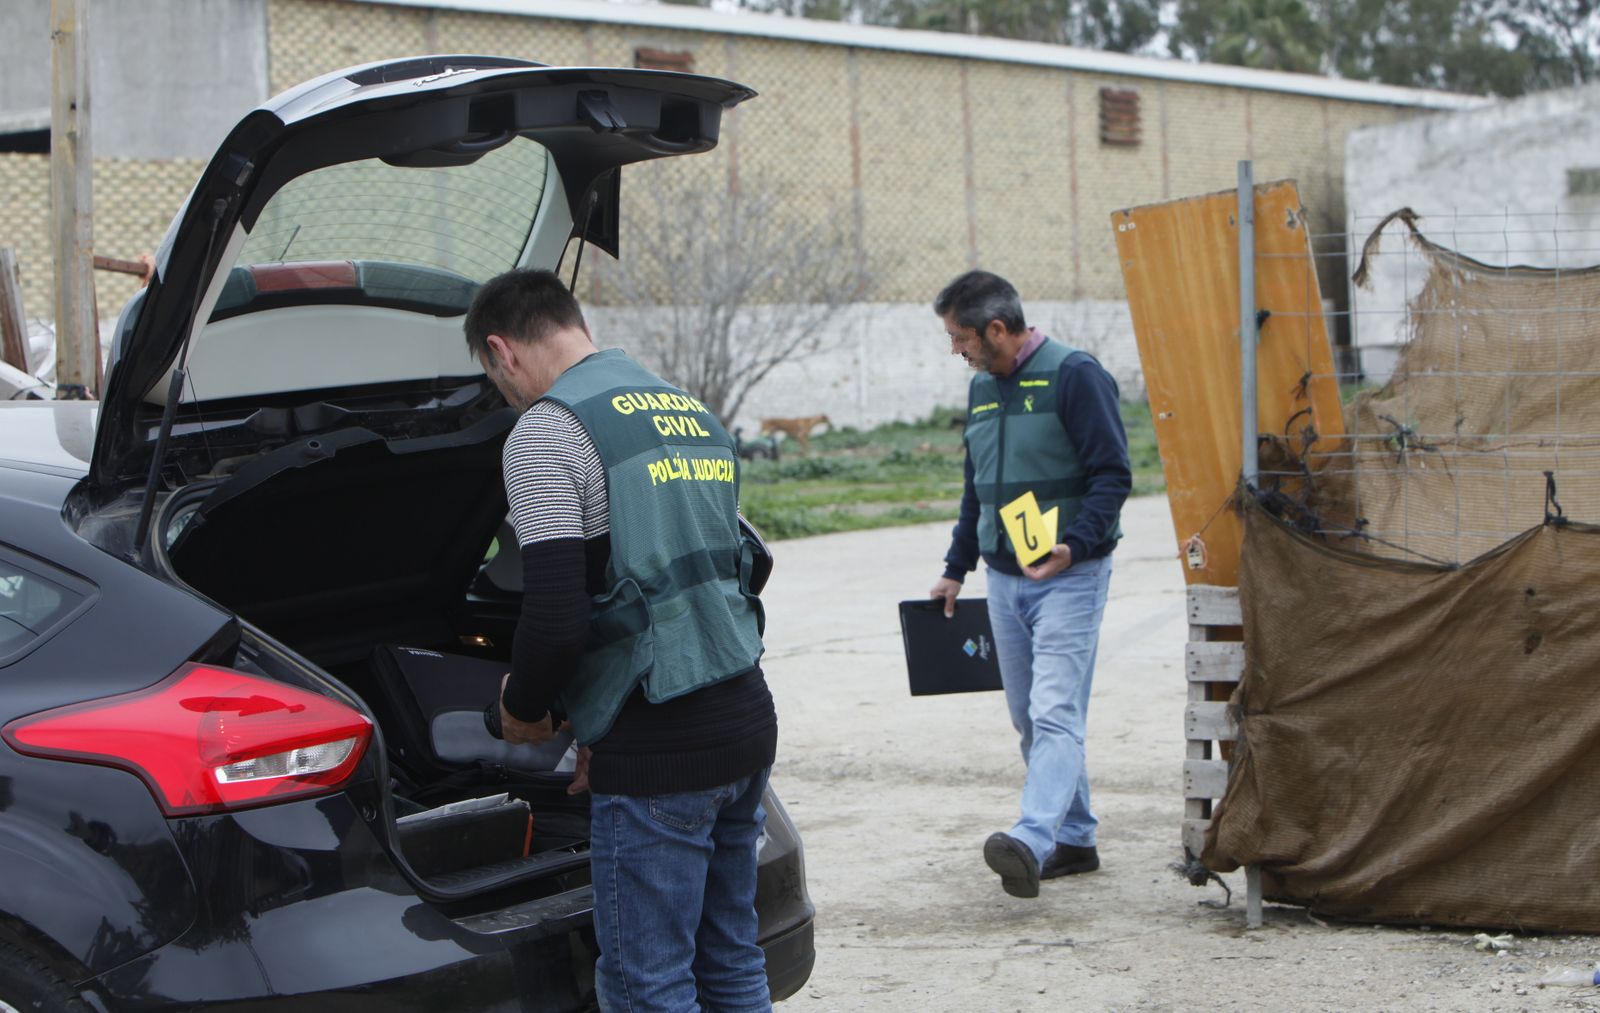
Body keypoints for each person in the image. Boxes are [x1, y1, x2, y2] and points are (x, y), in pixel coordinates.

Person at [464, 269, 778, 1011]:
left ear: (503, 352)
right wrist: (602, 720)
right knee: (729, 960)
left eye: (491, 374)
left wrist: (523, 708)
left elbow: (555, 622)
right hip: (743, 722)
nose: (502, 392)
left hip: (661, 758)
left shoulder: (546, 430)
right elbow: (727, 573)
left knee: (646, 984)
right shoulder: (683, 406)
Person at [928, 270, 1131, 899]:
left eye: (961, 338)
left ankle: (1032, 838)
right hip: (1005, 581)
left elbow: (1113, 474)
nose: (956, 351)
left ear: (997, 329)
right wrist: (955, 568)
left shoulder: (1076, 376)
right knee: (1029, 717)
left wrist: (1076, 546)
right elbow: (977, 489)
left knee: (1055, 713)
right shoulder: (983, 391)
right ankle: (1075, 838)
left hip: (1070, 577)